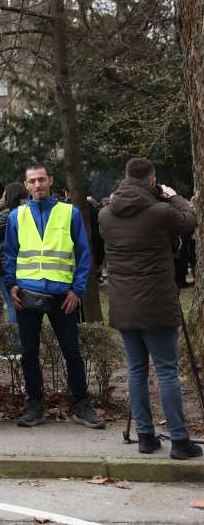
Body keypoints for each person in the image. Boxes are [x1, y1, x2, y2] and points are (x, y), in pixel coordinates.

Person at [99, 158, 201, 460]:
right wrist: (172, 196)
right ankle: (180, 441)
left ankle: (145, 436)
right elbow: (190, 220)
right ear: (152, 180)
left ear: (126, 177)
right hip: (157, 304)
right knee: (167, 371)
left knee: (136, 370)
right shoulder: (160, 211)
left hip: (123, 305)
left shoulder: (106, 214)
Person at [3, 164, 104, 430]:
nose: (37, 185)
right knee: (28, 354)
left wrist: (77, 290)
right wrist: (11, 284)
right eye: (32, 181)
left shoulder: (69, 213)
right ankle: (35, 406)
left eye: (41, 180)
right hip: (26, 295)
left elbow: (83, 253)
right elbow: (10, 253)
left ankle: (82, 405)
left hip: (62, 296)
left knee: (72, 352)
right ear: (25, 185)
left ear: (51, 181)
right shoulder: (16, 216)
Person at [0, 182, 27, 325]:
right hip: (23, 262)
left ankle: (16, 340)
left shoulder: (8, 215)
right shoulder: (27, 212)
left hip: (7, 262)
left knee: (13, 304)